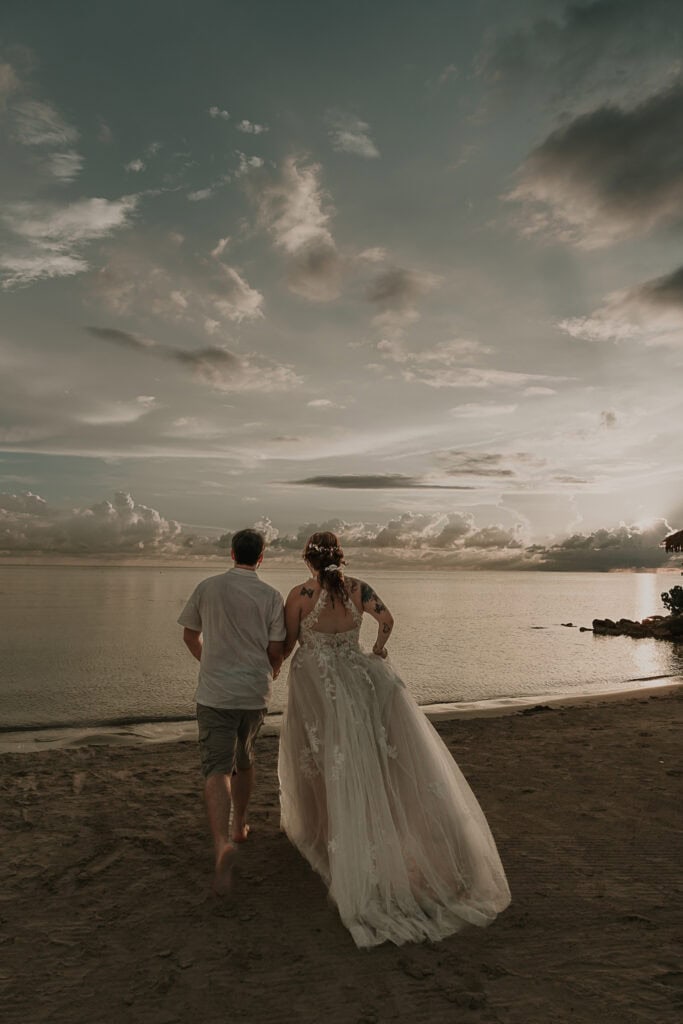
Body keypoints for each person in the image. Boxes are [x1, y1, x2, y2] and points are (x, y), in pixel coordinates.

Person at [278, 531, 511, 948]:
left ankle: (331, 836)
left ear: (308, 560)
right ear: (340, 557)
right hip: (357, 679)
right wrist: (378, 651)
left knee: (322, 760)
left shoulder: (300, 593)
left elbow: (291, 641)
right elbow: (387, 620)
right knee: (365, 758)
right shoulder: (359, 589)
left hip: (317, 684)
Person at [178, 528, 285, 893]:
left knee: (216, 767)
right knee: (245, 757)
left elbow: (190, 635)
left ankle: (222, 841)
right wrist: (274, 668)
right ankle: (240, 824)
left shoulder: (207, 587)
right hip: (254, 693)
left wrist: (207, 661)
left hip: (215, 694)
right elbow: (276, 648)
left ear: (231, 553)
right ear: (261, 558)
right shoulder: (271, 596)